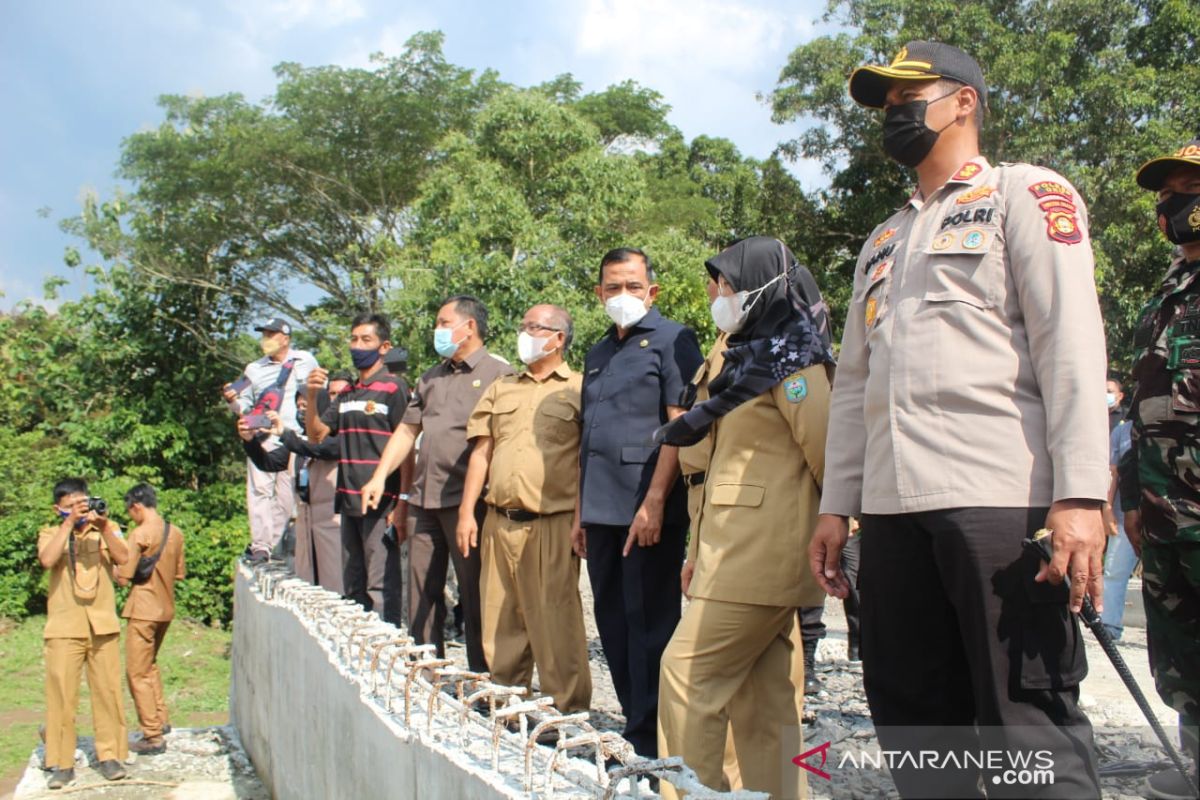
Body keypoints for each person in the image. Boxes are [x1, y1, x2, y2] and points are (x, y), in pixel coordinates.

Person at [809, 41, 1109, 797]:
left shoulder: (1024, 195)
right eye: (884, 103)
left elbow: (1070, 344)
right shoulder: (880, 241)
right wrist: (837, 506)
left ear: (964, 102)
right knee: (915, 724)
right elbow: (853, 387)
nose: (893, 113)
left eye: (908, 95)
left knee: (1025, 726)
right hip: (891, 513)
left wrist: (1080, 495)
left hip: (998, 505)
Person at [655, 237, 833, 799]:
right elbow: (715, 473)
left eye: (730, 285)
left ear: (767, 289)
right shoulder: (746, 357)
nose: (720, 296)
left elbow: (830, 455)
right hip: (731, 551)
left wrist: (844, 538)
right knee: (765, 702)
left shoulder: (793, 359)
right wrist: (697, 555)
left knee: (686, 676)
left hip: (763, 554)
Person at [576, 247, 703, 758]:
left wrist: (654, 502)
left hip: (647, 506)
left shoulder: (674, 340)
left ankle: (653, 738)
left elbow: (679, 426)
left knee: (649, 621)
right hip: (600, 507)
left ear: (652, 291)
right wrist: (580, 514)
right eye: (612, 287)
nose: (621, 296)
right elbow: (589, 435)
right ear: (598, 293)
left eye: (632, 286)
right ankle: (634, 720)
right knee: (611, 620)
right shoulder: (597, 351)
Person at [361, 296, 512, 672]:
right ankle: (427, 673)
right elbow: (408, 430)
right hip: (424, 500)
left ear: (469, 327)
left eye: (444, 322)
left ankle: (483, 678)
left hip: (469, 503)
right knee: (421, 594)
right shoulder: (430, 376)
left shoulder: (499, 374)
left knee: (476, 593)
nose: (438, 330)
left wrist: (475, 507)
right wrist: (380, 476)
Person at [455, 304, 591, 711]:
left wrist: (581, 518)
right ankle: (506, 707)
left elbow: (588, 460)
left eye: (534, 327)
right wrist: (467, 514)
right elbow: (482, 452)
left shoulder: (580, 389)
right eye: (523, 325)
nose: (525, 334)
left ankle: (566, 714)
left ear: (558, 338)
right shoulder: (502, 387)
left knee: (555, 624)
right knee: (500, 620)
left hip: (552, 522)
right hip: (498, 520)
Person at [1120, 136, 1200, 799]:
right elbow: (1143, 405)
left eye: (1187, 187)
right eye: (1168, 191)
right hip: (1164, 514)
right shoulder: (1165, 294)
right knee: (1180, 654)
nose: (1175, 201)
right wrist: (1129, 497)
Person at [306, 313, 408, 624]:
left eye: (366, 339)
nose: (357, 345)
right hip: (348, 501)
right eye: (353, 339)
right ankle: (359, 654)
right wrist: (312, 396)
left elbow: (407, 444)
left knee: (381, 587)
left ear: (384, 346)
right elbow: (317, 435)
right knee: (353, 584)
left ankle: (388, 653)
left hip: (381, 502)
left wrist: (401, 503)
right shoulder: (347, 393)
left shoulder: (395, 388)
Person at [38, 478, 130, 789]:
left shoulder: (107, 527)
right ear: (58, 509)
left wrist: (102, 526)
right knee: (62, 697)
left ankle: (110, 755)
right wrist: (68, 526)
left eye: (83, 504)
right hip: (64, 628)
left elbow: (125, 557)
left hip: (102, 624)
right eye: (71, 507)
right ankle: (61, 763)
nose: (80, 511)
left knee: (108, 693)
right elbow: (47, 559)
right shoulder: (51, 532)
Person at [238, 372, 351, 594]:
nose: (302, 412)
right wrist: (249, 441)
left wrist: (285, 434)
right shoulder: (298, 443)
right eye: (298, 407)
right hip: (305, 527)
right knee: (307, 590)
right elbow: (268, 462)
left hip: (335, 526)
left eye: (306, 406)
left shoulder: (341, 438)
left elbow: (321, 448)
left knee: (337, 589)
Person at [223, 318, 319, 563]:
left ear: (285, 338)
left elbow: (319, 393)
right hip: (263, 435)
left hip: (293, 435)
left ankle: (275, 541)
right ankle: (261, 546)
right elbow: (243, 406)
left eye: (271, 334)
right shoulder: (253, 370)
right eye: (264, 334)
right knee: (260, 491)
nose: (266, 339)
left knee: (288, 494)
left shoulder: (304, 360)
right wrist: (232, 399)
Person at [117, 483, 185, 755]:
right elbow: (178, 573)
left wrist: (112, 565)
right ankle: (161, 718)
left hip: (143, 609)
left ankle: (152, 735)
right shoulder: (175, 532)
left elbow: (124, 577)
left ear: (136, 506)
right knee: (150, 666)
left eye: (130, 511)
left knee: (136, 672)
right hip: (165, 608)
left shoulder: (139, 533)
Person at [1100, 409, 1136, 641]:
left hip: (1169, 518)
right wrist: (1108, 509)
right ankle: (1109, 625)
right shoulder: (1123, 430)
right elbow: (1113, 474)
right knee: (1114, 571)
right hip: (1125, 515)